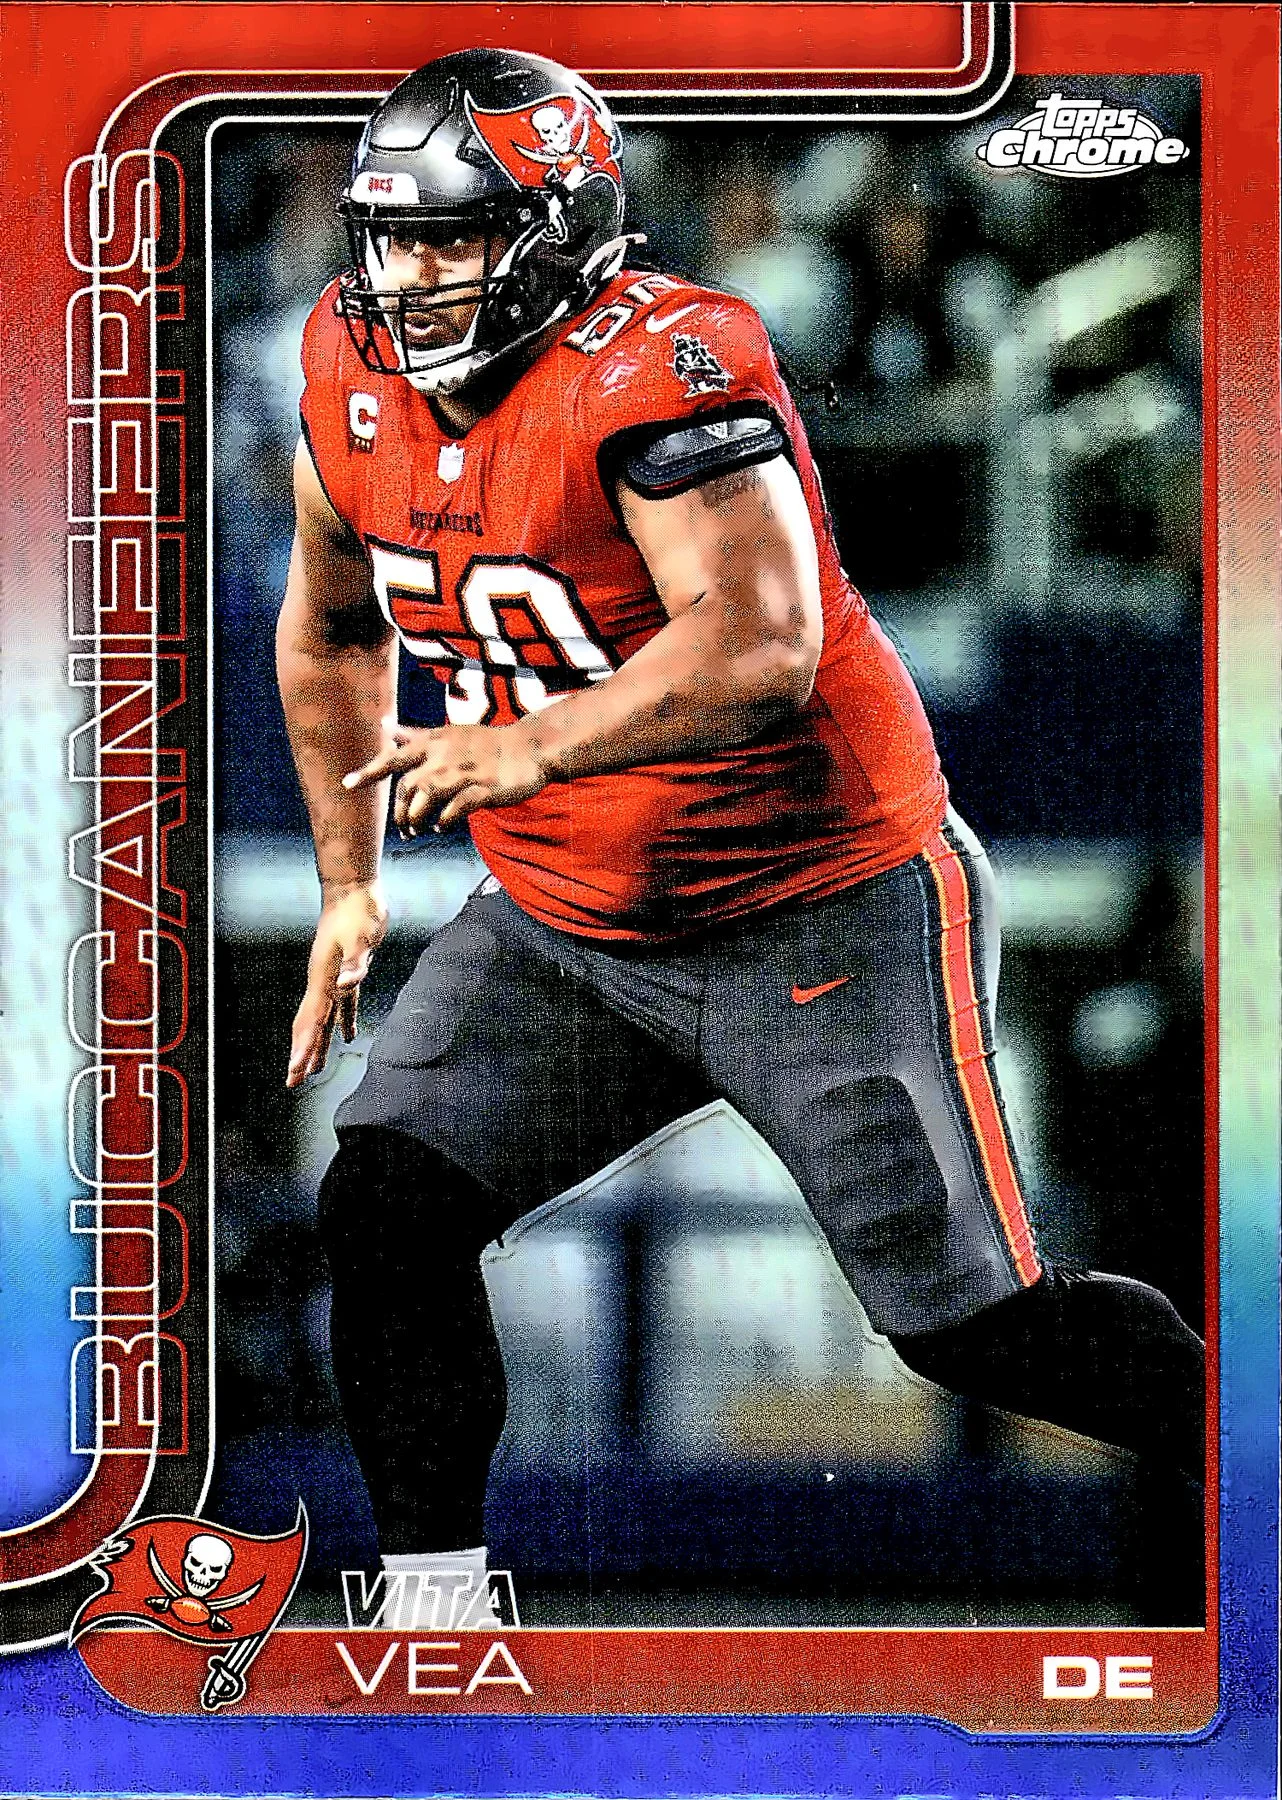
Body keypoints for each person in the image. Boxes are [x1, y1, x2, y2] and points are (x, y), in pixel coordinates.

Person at [276, 48, 1205, 1622]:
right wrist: (349, 883)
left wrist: (527, 743)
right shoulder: (346, 373)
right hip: (570, 921)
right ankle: (435, 1614)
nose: (409, 275)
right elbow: (329, 628)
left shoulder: (664, 362)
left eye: (452, 234)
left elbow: (760, 640)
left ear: (557, 232)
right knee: (387, 1200)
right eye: (393, 235)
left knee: (973, 1328)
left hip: (815, 904)